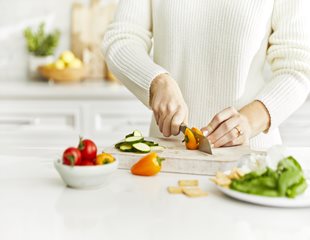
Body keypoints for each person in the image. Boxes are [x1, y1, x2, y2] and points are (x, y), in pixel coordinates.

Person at [103, 0, 310, 149]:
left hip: (251, 160)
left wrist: (249, 120)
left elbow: (298, 67)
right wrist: (157, 81)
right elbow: (122, 38)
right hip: (169, 158)